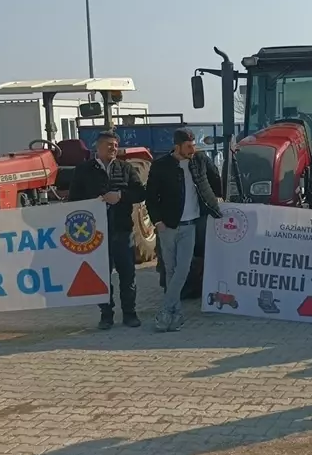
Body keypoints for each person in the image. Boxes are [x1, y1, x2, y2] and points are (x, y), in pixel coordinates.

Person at [145, 128, 223, 332]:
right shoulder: (161, 166)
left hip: (190, 225)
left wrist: (217, 200)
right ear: (177, 146)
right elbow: (151, 197)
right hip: (168, 226)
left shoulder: (200, 161)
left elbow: (215, 179)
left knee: (183, 269)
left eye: (194, 145)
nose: (192, 149)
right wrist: (157, 222)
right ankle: (176, 313)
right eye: (188, 146)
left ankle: (164, 310)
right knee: (170, 270)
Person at [68, 131, 147, 330]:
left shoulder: (125, 168)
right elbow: (74, 199)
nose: (113, 148)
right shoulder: (84, 170)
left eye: (115, 145)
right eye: (109, 145)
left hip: (122, 229)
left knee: (127, 274)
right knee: (102, 276)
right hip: (97, 233)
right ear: (98, 147)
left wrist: (120, 196)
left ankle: (130, 313)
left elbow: (139, 192)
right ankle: (106, 315)